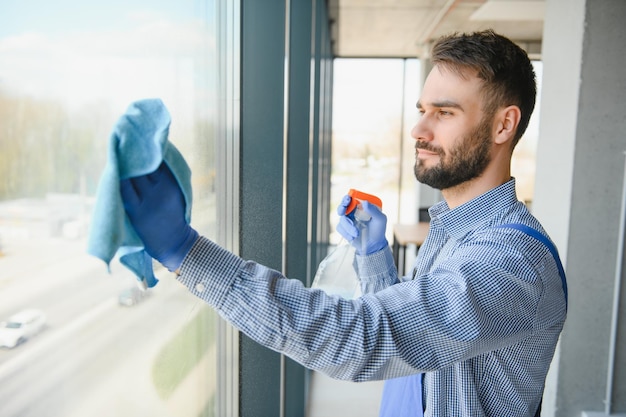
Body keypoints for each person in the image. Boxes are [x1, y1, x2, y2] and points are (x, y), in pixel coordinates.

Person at [119, 30, 567, 417]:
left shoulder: (512, 262)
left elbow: (366, 338)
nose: (418, 130)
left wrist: (189, 254)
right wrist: (374, 259)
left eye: (444, 113)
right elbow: (414, 345)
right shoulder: (455, 231)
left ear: (503, 125)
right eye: (422, 109)